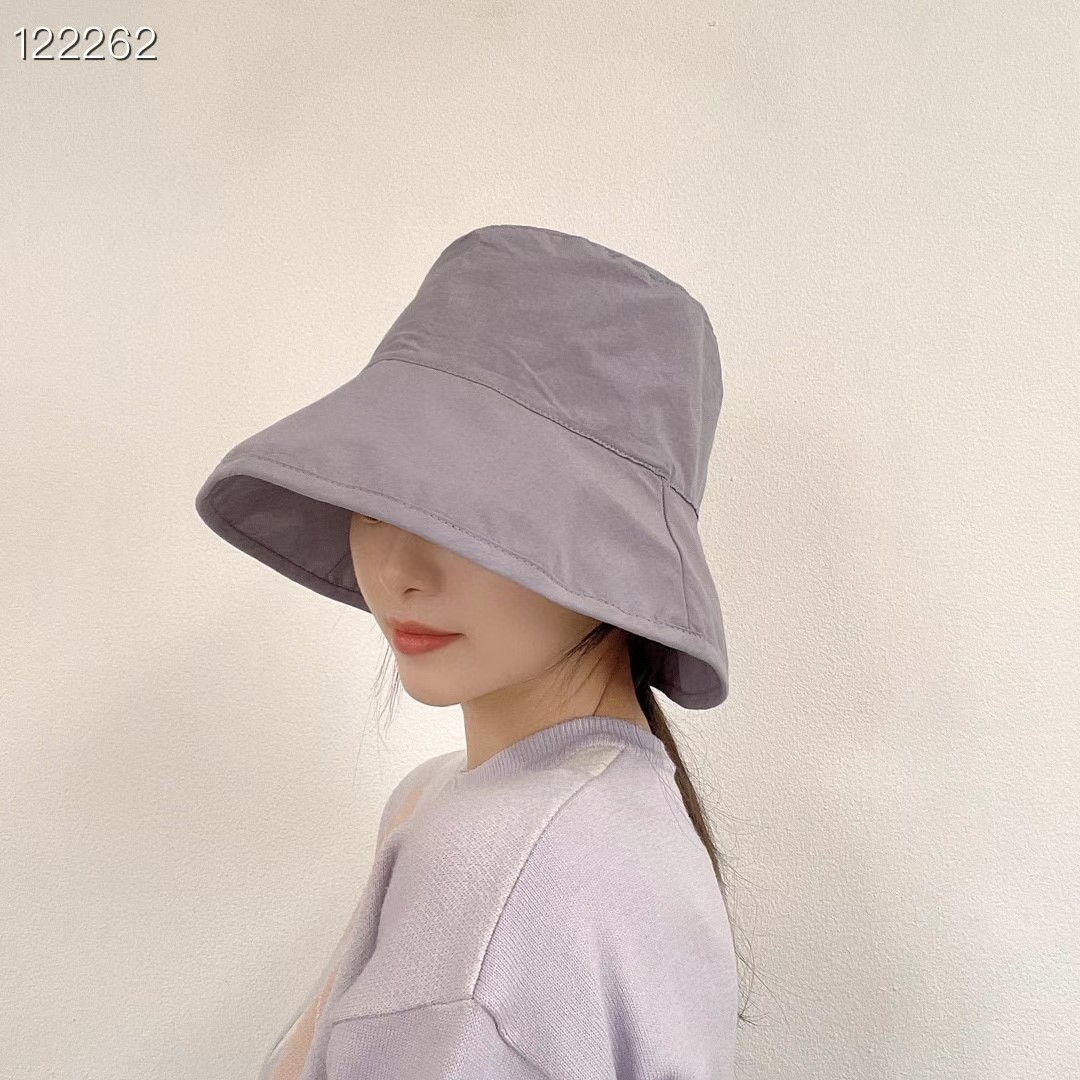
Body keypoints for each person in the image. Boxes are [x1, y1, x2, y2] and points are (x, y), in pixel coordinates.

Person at [195, 223, 746, 1078]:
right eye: (380, 498)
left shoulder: (514, 867)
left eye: (471, 516)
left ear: (607, 552)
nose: (397, 571)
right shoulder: (574, 816)